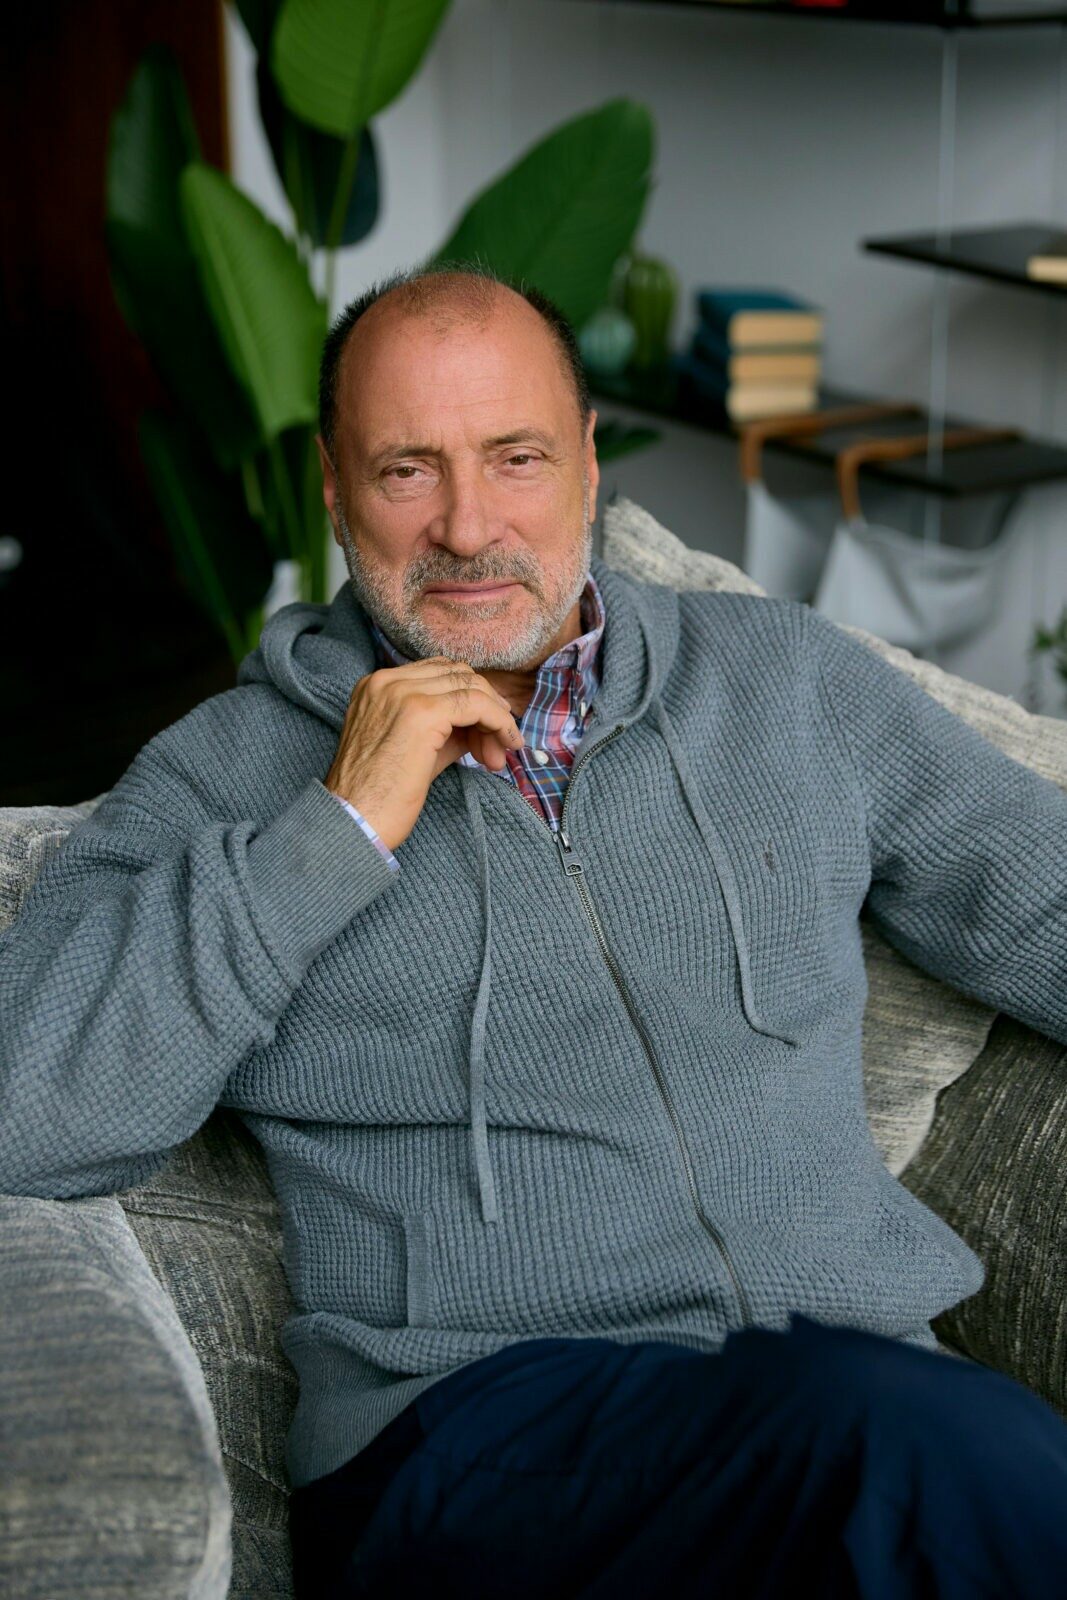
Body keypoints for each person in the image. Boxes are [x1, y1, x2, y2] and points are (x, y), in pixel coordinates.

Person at [2, 259, 1066, 1598]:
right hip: (469, 1442)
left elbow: (1041, 896)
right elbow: (25, 1113)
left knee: (914, 1451)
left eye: (515, 458)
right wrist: (334, 834)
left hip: (838, 1410)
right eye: (407, 471)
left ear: (588, 464)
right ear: (333, 488)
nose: (466, 526)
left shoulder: (787, 684)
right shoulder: (222, 774)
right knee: (931, 1452)